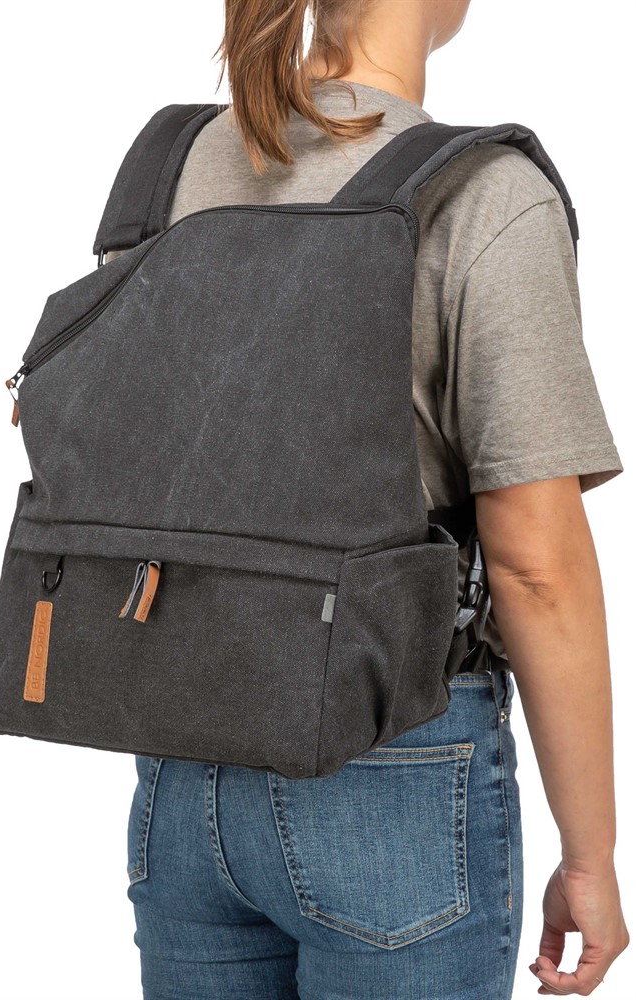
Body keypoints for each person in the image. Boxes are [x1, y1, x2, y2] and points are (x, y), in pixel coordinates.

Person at [110, 2, 630, 997]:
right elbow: (535, 566)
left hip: (180, 771)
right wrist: (590, 857)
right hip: (393, 765)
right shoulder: (483, 191)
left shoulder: (171, 167)